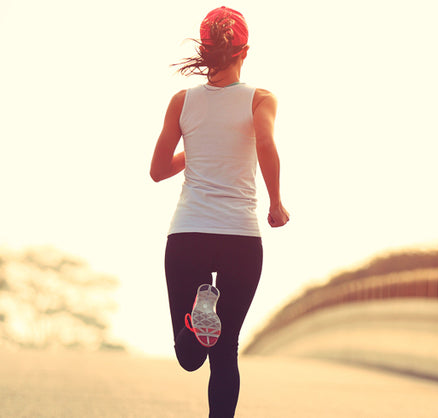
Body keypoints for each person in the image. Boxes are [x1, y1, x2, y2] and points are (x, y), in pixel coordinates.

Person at [149, 6, 289, 417]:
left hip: (190, 232)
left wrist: (196, 150)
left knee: (191, 357)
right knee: (225, 351)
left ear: (205, 51)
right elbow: (265, 144)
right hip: (240, 237)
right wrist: (276, 202)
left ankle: (196, 319)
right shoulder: (261, 98)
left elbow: (158, 171)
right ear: (245, 50)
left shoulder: (182, 102)